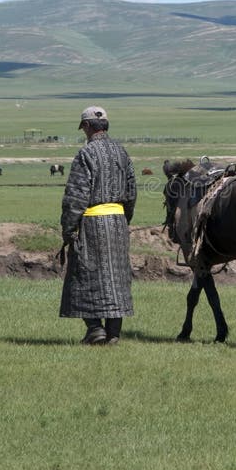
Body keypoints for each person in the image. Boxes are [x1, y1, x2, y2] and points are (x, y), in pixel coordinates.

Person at [60, 105, 137, 345]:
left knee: (85, 275)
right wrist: (124, 220)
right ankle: (113, 333)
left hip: (92, 222)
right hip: (118, 221)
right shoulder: (122, 152)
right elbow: (132, 192)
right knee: (117, 278)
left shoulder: (86, 154)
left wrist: (68, 228)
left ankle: (95, 328)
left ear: (87, 127)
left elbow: (76, 196)